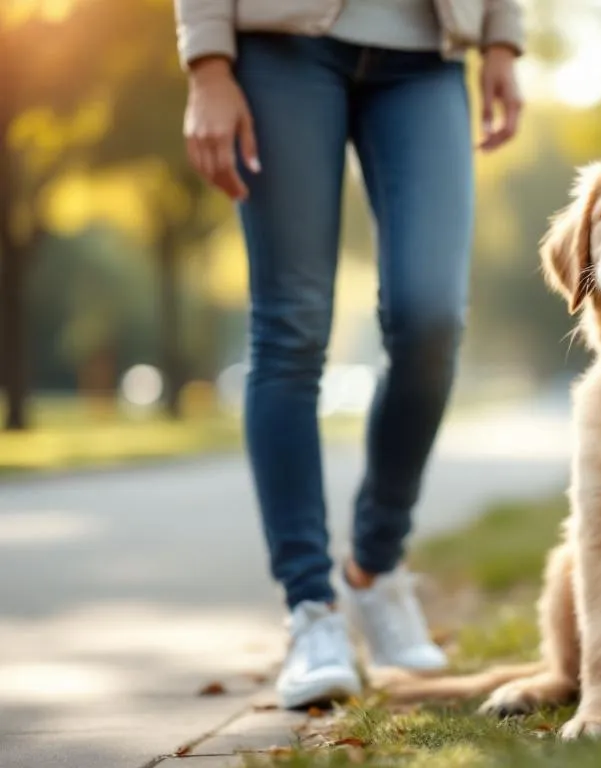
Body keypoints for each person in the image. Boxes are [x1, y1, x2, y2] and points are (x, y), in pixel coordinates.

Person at [173, 0, 524, 709]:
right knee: (291, 328)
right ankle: (311, 610)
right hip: (281, 45)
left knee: (431, 319)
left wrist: (502, 39)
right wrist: (207, 61)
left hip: (427, 52)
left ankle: (374, 566)